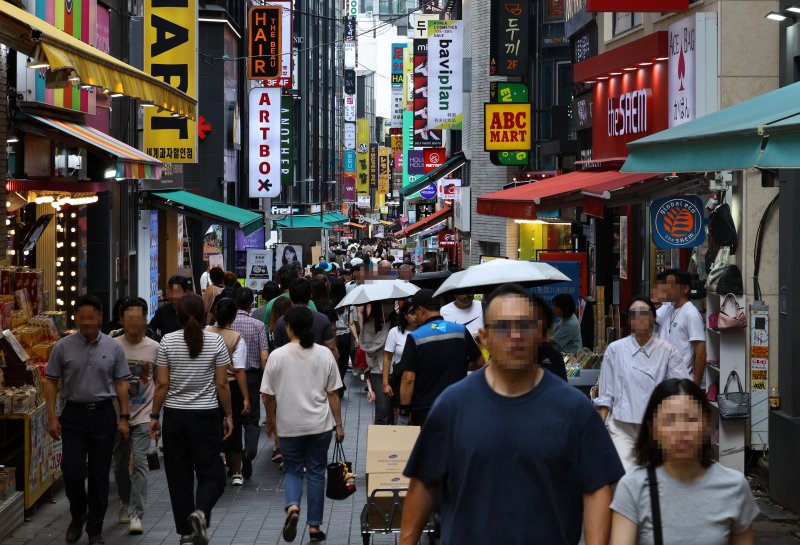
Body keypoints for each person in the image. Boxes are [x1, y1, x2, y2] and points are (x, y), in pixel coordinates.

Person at [399, 284, 625, 545]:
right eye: (502, 327)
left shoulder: (574, 409)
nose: (515, 335)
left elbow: (597, 488)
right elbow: (424, 484)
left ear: (540, 333)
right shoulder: (452, 406)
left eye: (525, 325)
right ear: (484, 338)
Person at [610, 379, 759, 545]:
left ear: (707, 424)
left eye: (691, 419)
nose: (681, 430)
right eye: (669, 420)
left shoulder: (734, 487)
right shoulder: (633, 487)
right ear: (653, 429)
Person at [44, 294, 130, 545]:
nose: (87, 321)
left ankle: (95, 530)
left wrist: (124, 417)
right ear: (76, 318)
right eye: (82, 317)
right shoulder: (63, 346)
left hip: (103, 414)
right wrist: (52, 416)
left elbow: (122, 383)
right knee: (71, 471)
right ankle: (78, 514)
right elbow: (51, 381)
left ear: (101, 318)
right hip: (73, 414)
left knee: (99, 475)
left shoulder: (113, 347)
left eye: (91, 316)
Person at [149, 294, 233, 545]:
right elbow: (222, 384)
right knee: (214, 475)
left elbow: (162, 384)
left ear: (178, 315)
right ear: (207, 312)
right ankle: (201, 512)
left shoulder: (167, 341)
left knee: (179, 476)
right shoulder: (215, 341)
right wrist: (228, 414)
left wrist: (154, 416)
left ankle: (186, 531)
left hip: (175, 417)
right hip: (205, 417)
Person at [261, 305, 345, 543]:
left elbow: (268, 395)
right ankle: (315, 527)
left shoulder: (277, 356)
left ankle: (292, 508)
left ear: (288, 327)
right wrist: (338, 424)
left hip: (289, 425)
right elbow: (333, 394)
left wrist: (270, 421)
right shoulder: (324, 354)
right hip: (320, 426)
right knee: (317, 473)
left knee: (293, 470)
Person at [594, 297, 689, 472]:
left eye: (644, 313)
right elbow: (605, 396)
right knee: (625, 475)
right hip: (622, 428)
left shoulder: (668, 351)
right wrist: (598, 431)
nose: (640, 318)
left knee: (656, 476)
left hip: (658, 428)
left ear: (653, 317)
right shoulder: (615, 350)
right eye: (634, 314)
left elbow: (681, 391)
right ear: (630, 320)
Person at [398, 289, 483, 427]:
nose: (415, 317)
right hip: (456, 404)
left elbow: (408, 379)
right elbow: (480, 362)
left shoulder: (415, 337)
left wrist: (403, 413)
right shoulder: (460, 330)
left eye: (415, 312)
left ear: (421, 310)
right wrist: (463, 365)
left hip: (425, 409)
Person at [111, 298, 160, 535]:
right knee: (119, 466)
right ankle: (123, 500)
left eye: (138, 319)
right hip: (117, 415)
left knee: (140, 463)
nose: (134, 323)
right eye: (129, 318)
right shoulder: (112, 346)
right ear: (121, 320)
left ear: (145, 320)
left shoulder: (154, 347)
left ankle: (135, 514)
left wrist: (157, 415)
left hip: (143, 416)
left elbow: (161, 383)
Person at [205, 297, 249, 487]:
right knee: (235, 427)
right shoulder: (236, 337)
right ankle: (237, 472)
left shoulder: (204, 332)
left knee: (209, 427)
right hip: (230, 386)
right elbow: (239, 370)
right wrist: (246, 397)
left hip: (207, 385)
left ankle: (211, 466)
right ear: (233, 316)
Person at [231, 287, 270, 479]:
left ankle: (235, 464)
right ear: (251, 304)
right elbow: (264, 355)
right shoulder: (258, 325)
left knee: (233, 419)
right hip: (252, 377)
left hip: (229, 378)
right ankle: (249, 451)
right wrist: (267, 380)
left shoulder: (226, 324)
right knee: (252, 418)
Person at [658, 269, 707, 384]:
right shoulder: (668, 308)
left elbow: (701, 353)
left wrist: (695, 388)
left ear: (685, 289)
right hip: (663, 380)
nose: (665, 289)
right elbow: (648, 317)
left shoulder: (691, 314)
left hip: (681, 382)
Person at [273, 279, 339, 361]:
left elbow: (277, 351)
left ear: (290, 296)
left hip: (290, 369)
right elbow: (331, 347)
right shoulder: (323, 319)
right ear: (311, 295)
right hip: (317, 368)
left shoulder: (282, 321)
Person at [360, 299, 395, 424]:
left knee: (394, 411)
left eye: (391, 302)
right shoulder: (369, 324)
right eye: (385, 303)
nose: (389, 306)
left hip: (396, 370)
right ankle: (379, 441)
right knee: (382, 410)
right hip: (378, 371)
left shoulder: (397, 323)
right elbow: (369, 349)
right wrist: (385, 334)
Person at [382, 302, 417, 423]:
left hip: (419, 379)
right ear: (405, 315)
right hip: (399, 379)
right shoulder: (395, 332)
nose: (415, 316)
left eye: (417, 312)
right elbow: (387, 358)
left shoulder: (424, 331)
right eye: (412, 313)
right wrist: (385, 383)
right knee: (400, 416)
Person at [252, 265, 317, 325]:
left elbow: (267, 329)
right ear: (297, 279)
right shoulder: (308, 302)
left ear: (279, 281)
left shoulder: (272, 303)